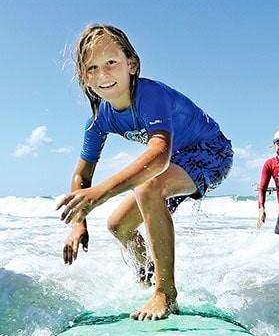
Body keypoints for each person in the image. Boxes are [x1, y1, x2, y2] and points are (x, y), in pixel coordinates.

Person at [57, 23, 233, 320]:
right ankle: (150, 276)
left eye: (111, 62)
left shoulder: (150, 95)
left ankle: (165, 293)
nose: (103, 75)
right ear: (84, 78)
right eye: (92, 68)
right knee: (118, 225)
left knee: (148, 188)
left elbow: (159, 155)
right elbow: (82, 175)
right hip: (177, 159)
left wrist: (101, 193)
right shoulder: (99, 119)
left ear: (132, 65)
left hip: (211, 152)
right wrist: (78, 223)